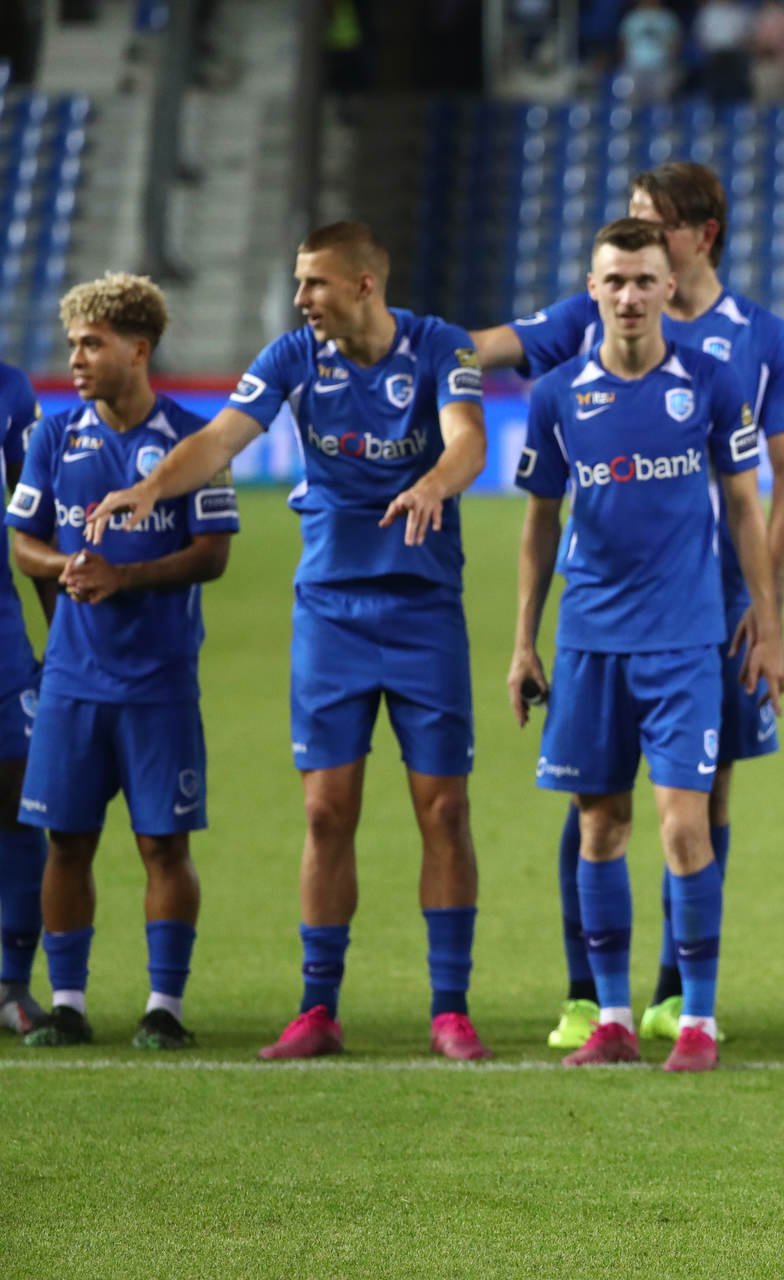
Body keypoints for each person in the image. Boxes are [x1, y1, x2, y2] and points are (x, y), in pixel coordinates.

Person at [86, 222, 493, 1062]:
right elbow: (220, 439)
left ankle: (449, 1008)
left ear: (363, 286)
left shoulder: (439, 347)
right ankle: (318, 1006)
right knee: (323, 810)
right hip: (332, 613)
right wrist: (149, 487)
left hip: (423, 612)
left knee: (444, 809)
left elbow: (468, 443)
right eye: (300, 283)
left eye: (314, 283)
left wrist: (430, 484)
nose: (301, 298)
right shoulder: (292, 357)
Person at [472, 161, 784, 1051]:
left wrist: (768, 624)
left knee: (687, 820)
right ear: (593, 291)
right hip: (588, 642)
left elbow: (747, 501)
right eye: (612, 282)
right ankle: (610, 1014)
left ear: (670, 283)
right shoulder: (555, 396)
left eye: (643, 280)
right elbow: (539, 524)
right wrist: (522, 643)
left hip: (687, 639)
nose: (627, 297)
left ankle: (692, 1015)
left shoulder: (714, 381)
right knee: (599, 822)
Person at [7, 273, 238, 1050]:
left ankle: (162, 1008)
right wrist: (63, 563)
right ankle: (68, 1004)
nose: (75, 358)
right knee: (66, 839)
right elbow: (22, 539)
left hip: (160, 679)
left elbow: (211, 557)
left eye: (92, 344)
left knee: (162, 844)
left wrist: (125, 576)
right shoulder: (53, 436)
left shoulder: (195, 440)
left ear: (138, 350)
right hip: (72, 680)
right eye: (72, 342)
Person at [0, 355, 48, 1035]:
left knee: (19, 796)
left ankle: (10, 981)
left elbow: (33, 523)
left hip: (2, 638)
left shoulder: (10, 389)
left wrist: (67, 637)